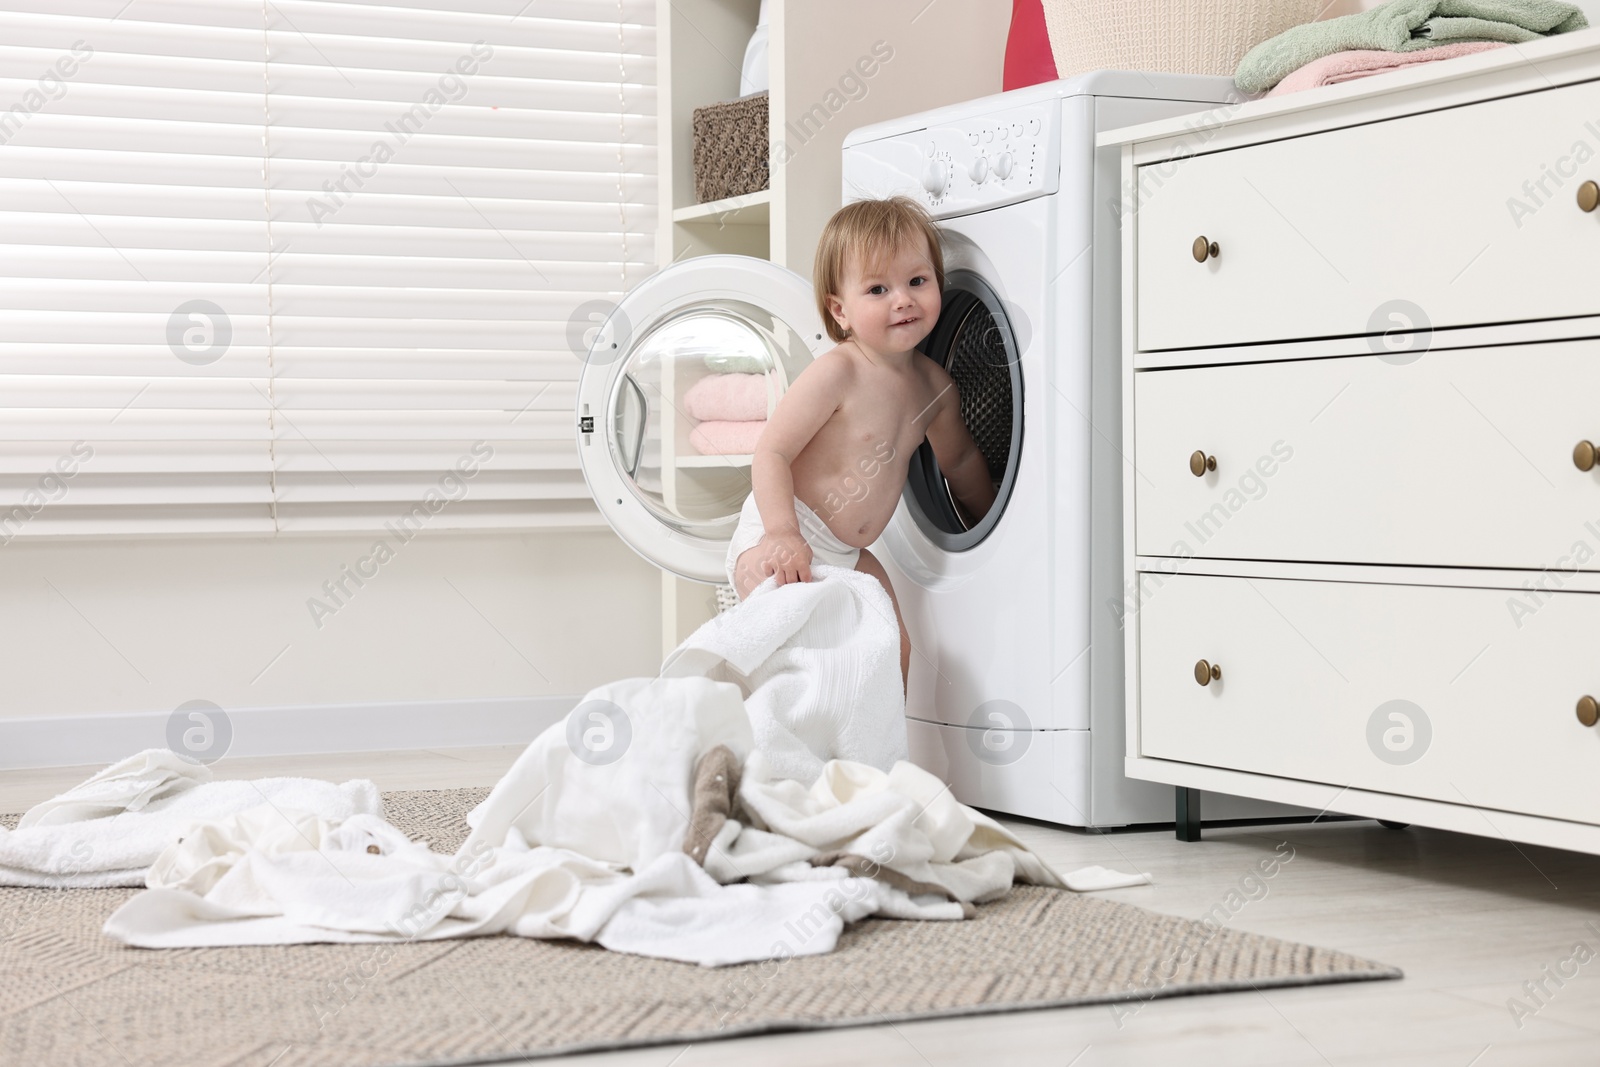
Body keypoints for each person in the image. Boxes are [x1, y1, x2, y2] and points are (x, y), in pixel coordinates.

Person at [725, 195, 997, 690]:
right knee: (783, 641)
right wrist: (781, 533)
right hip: (788, 532)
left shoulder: (934, 388)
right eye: (878, 288)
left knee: (893, 646)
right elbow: (773, 452)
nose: (903, 299)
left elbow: (958, 459)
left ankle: (871, 758)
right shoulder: (838, 372)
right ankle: (758, 736)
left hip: (849, 551)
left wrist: (994, 522)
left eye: (918, 281)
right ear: (840, 310)